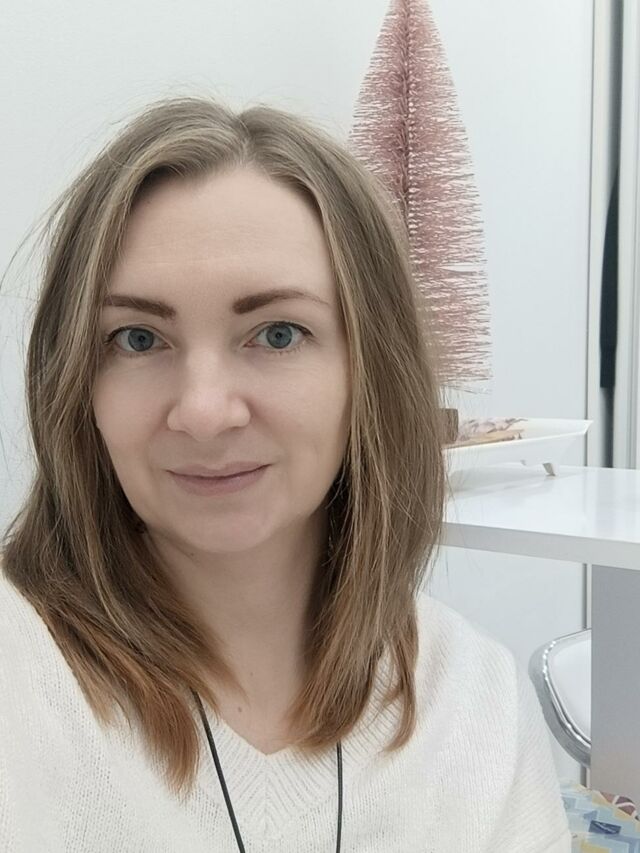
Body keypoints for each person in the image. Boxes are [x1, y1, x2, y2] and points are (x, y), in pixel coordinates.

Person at [0, 95, 571, 852]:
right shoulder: (21, 683)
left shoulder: (474, 703)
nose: (204, 412)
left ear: (369, 371)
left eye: (276, 334)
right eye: (138, 338)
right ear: (78, 385)